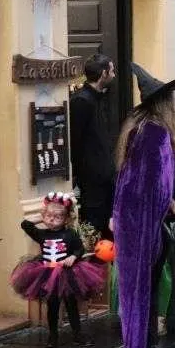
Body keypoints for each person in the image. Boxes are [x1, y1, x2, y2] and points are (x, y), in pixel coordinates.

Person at [111, 64, 175, 348]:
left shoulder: (138, 128)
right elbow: (157, 183)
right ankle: (142, 345)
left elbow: (135, 180)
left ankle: (141, 343)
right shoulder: (154, 133)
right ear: (163, 104)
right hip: (144, 221)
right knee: (144, 284)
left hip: (135, 217)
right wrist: (168, 208)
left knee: (138, 284)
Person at [11, 192, 103, 348]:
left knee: (71, 305)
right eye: (49, 216)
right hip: (47, 274)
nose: (52, 220)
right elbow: (25, 224)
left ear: (66, 219)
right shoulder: (41, 234)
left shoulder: (70, 234)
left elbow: (79, 249)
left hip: (67, 274)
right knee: (52, 306)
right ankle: (52, 336)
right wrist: (44, 216)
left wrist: (73, 257)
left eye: (57, 217)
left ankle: (77, 334)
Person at [69, 53, 117, 239]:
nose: (114, 75)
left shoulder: (99, 99)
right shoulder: (82, 101)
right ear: (104, 73)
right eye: (112, 71)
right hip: (92, 183)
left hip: (105, 180)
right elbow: (76, 141)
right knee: (95, 234)